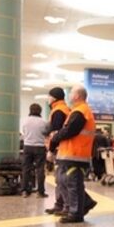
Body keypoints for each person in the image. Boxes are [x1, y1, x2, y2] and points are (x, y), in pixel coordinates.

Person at [49, 85, 97, 223]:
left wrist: (55, 137)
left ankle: (76, 213)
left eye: (70, 93)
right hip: (71, 153)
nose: (68, 95)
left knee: (73, 184)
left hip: (76, 154)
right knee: (66, 182)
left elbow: (70, 130)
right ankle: (83, 204)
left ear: (77, 96)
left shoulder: (81, 111)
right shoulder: (77, 111)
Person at [44, 87, 72, 215]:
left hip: (60, 149)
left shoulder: (58, 111)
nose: (47, 99)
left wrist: (50, 150)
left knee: (61, 179)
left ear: (54, 98)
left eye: (49, 96)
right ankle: (60, 204)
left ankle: (64, 205)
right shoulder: (64, 109)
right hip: (64, 148)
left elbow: (56, 133)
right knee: (60, 178)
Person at [20, 103, 49, 198]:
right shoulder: (43, 122)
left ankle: (25, 191)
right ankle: (40, 192)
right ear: (40, 111)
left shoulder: (25, 121)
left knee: (26, 169)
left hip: (27, 146)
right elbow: (46, 133)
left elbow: (24, 132)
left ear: (30, 110)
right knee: (40, 170)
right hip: (40, 147)